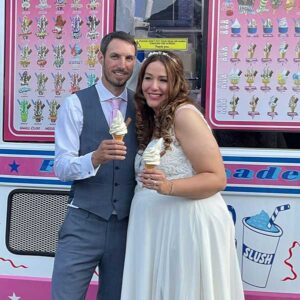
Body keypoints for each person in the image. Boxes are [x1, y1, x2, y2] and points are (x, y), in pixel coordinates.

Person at [120, 51, 245, 300]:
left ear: (176, 83)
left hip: (186, 229)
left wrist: (168, 187)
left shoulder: (184, 115)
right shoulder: (153, 118)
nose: (153, 87)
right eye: (148, 78)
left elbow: (217, 178)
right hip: (158, 231)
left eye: (163, 80)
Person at [51, 31, 138, 300]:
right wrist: (94, 158)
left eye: (129, 58)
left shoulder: (143, 105)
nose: (121, 64)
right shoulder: (75, 104)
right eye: (115, 56)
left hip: (127, 225)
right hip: (83, 223)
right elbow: (61, 167)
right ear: (100, 58)